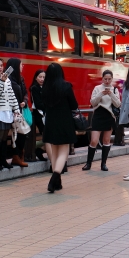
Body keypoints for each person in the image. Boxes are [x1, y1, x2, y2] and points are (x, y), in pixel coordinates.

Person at [39, 62, 77, 193]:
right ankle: (53, 178)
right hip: (64, 121)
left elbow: (43, 104)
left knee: (55, 150)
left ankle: (57, 182)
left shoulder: (45, 88)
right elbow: (73, 105)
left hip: (50, 122)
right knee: (63, 151)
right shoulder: (66, 86)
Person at [85, 69, 120, 171]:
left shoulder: (114, 90)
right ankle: (88, 163)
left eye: (109, 79)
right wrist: (101, 94)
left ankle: (103, 164)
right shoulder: (97, 88)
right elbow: (93, 102)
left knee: (106, 140)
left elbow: (118, 104)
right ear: (102, 79)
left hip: (109, 116)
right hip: (98, 115)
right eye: (105, 79)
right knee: (94, 140)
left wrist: (111, 94)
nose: (107, 81)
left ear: (112, 79)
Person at [5, 59, 28, 168]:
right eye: (21, 65)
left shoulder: (21, 79)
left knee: (22, 133)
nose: (22, 66)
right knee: (16, 134)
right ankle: (16, 156)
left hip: (20, 110)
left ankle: (20, 155)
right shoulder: (7, 80)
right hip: (12, 112)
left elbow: (25, 93)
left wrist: (25, 101)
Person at [29, 69, 47, 162]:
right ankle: (33, 147)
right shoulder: (34, 88)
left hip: (45, 114)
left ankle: (38, 150)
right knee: (46, 136)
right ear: (36, 78)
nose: (42, 79)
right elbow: (38, 103)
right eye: (40, 77)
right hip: (39, 114)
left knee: (47, 136)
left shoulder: (45, 87)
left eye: (44, 77)